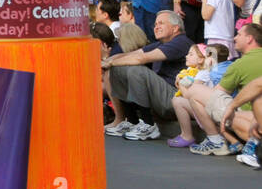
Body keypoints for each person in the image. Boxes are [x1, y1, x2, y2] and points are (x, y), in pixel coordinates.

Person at [102, 9, 193, 140]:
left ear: (175, 28)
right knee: (117, 69)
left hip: (175, 98)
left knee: (136, 69)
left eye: (161, 23)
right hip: (162, 97)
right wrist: (109, 60)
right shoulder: (161, 43)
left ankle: (149, 125)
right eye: (155, 24)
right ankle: (132, 121)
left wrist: (111, 63)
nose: (156, 27)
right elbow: (133, 54)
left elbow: (141, 59)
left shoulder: (181, 42)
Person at [184, 23, 262, 155]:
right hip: (252, 118)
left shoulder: (240, 64)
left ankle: (216, 141)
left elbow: (216, 95)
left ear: (249, 39)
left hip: (248, 120)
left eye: (239, 34)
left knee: (195, 91)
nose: (234, 38)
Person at [168, 44, 230, 148]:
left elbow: (190, 94)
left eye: (191, 54)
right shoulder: (222, 68)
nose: (186, 56)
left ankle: (187, 136)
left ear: (203, 59)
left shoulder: (204, 73)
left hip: (213, 113)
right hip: (221, 109)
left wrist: (180, 81)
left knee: (178, 101)